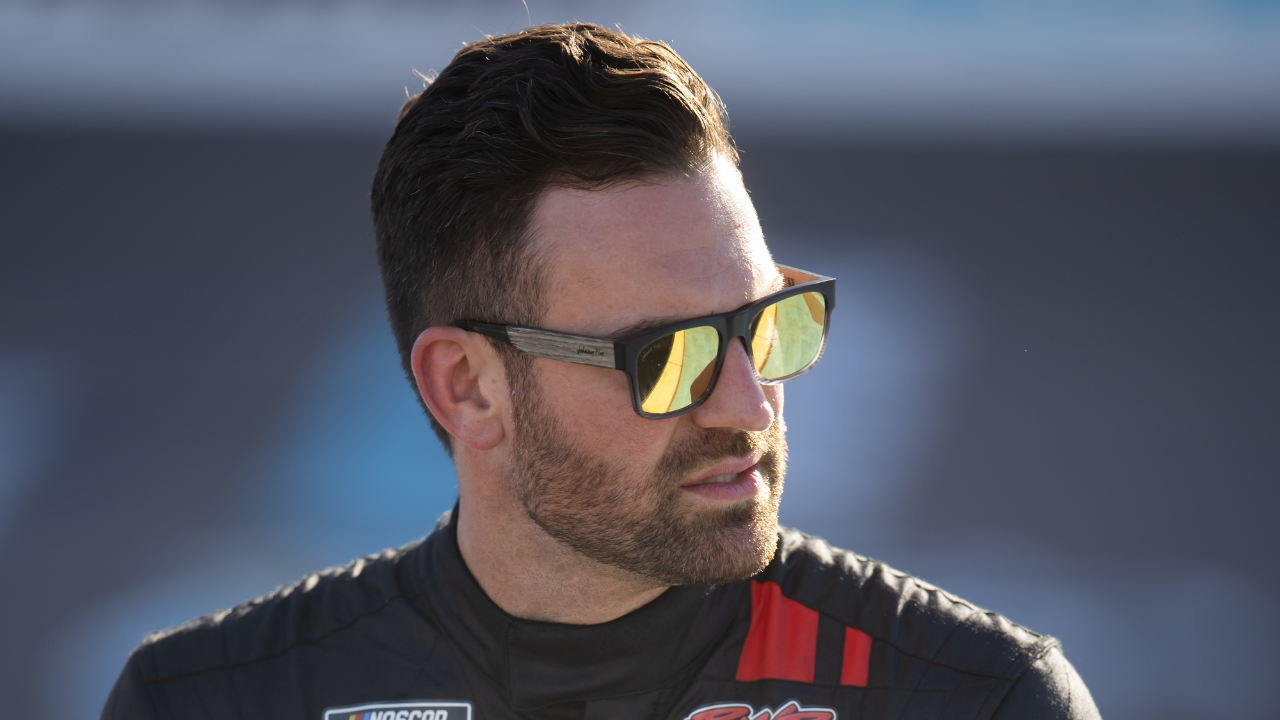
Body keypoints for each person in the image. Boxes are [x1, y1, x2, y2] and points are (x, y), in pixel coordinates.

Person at [102, 23, 1099, 720]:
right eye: (670, 356)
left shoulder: (976, 698)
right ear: (467, 387)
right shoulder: (208, 700)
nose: (750, 405)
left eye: (768, 325)